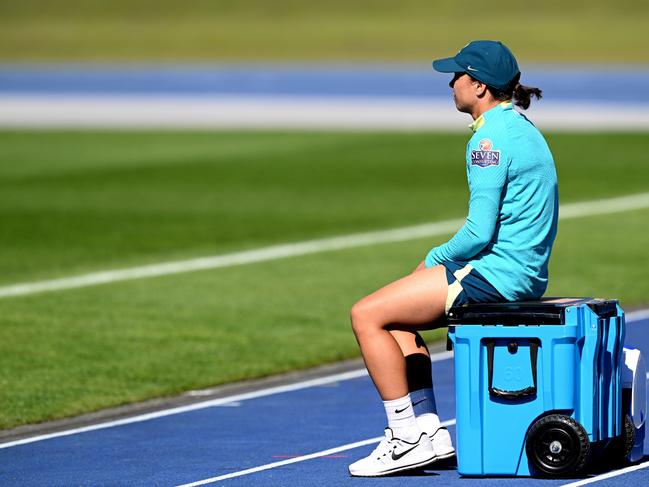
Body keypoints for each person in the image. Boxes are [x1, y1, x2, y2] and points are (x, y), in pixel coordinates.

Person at [348, 40, 559, 477]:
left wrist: (431, 259)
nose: (451, 83)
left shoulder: (488, 139)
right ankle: (429, 430)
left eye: (457, 75)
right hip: (521, 272)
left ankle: (404, 436)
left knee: (366, 314)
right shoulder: (523, 128)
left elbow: (479, 231)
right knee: (398, 317)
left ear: (479, 86)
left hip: (495, 274)